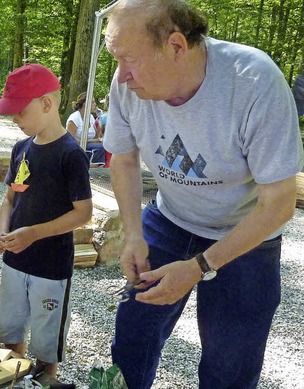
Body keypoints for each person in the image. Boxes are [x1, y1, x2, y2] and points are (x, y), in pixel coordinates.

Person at [102, 1, 304, 388]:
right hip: (169, 219)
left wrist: (199, 267)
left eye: (128, 58)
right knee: (131, 339)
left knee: (230, 367)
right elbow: (123, 160)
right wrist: (133, 234)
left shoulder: (254, 82)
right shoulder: (127, 84)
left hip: (245, 234)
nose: (121, 75)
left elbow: (278, 205)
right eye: (115, 59)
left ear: (177, 46)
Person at [0, 64, 92, 378]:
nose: (14, 119)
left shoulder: (71, 155)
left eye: (19, 111)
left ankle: (46, 381)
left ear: (46, 104)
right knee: (9, 333)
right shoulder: (21, 149)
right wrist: (2, 232)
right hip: (15, 262)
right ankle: (11, 378)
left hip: (51, 268)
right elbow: (9, 199)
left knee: (46, 348)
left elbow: (83, 213)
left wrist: (34, 233)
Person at [65, 92, 106, 167]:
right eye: (93, 102)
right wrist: (91, 141)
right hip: (76, 147)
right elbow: (69, 140)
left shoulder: (90, 117)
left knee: (106, 145)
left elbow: (96, 137)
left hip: (89, 145)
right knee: (100, 148)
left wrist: (99, 126)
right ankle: (92, 169)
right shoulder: (74, 118)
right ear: (85, 104)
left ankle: (97, 167)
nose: (95, 104)